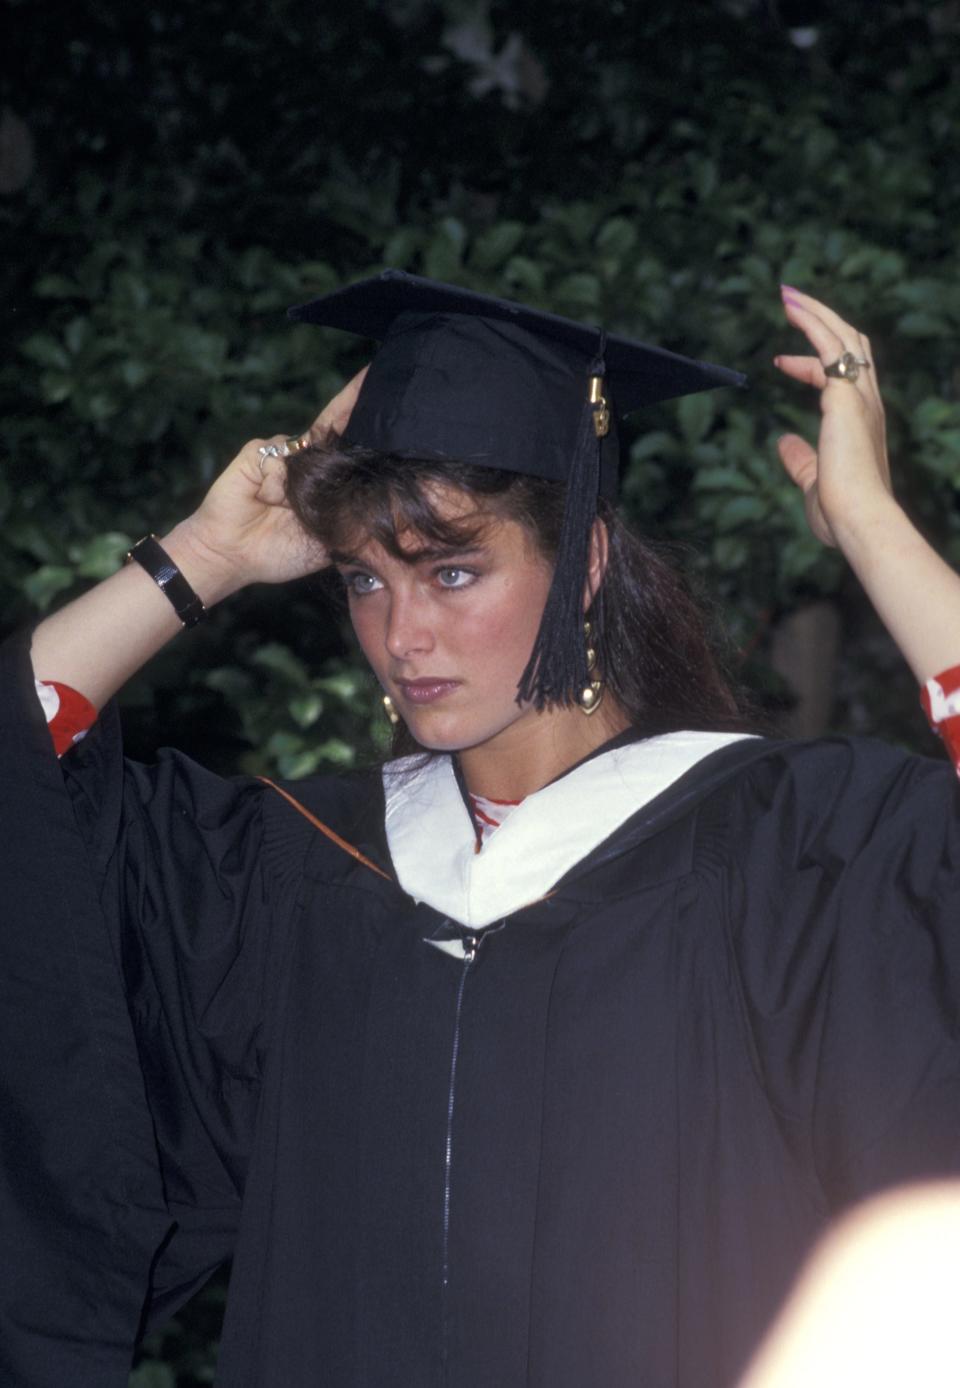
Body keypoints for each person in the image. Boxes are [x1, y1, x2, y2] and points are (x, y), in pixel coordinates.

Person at [2, 271, 960, 1388]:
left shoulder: (785, 852)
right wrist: (199, 561)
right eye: (364, 580)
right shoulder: (297, 866)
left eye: (454, 571)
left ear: (586, 565)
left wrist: (871, 524)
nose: (404, 633)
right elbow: (24, 774)